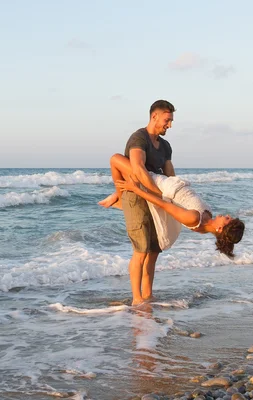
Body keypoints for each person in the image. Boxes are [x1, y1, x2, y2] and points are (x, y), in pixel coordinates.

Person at [100, 153, 245, 258]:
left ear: (219, 228)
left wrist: (136, 189)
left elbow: (164, 204)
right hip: (170, 182)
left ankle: (119, 196)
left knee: (115, 159)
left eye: (228, 219)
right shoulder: (208, 215)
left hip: (158, 184)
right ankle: (119, 198)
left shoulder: (194, 218)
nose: (227, 215)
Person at [105, 100, 176, 307]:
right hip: (136, 197)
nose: (169, 125)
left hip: (154, 198)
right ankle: (137, 298)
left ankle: (148, 295)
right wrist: (159, 195)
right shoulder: (139, 138)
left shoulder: (165, 146)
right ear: (154, 117)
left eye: (171, 121)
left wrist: (175, 196)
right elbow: (138, 170)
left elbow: (170, 174)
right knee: (141, 248)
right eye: (167, 120)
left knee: (154, 250)